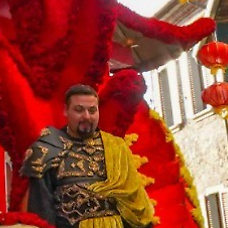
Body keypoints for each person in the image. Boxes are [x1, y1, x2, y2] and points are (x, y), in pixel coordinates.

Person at [21, 84, 156, 228]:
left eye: (92, 110)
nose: (86, 116)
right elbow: (41, 209)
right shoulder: (48, 148)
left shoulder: (116, 147)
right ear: (66, 111)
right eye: (79, 110)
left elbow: (135, 204)